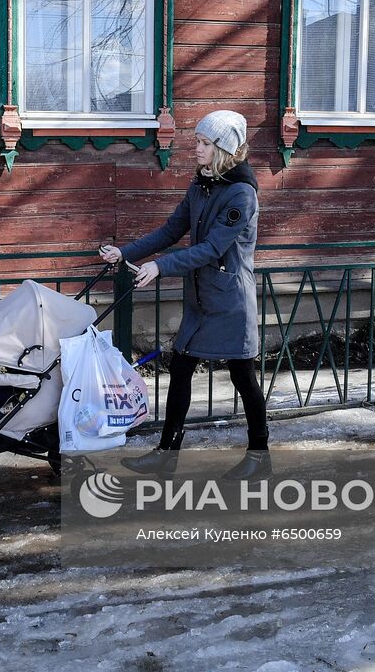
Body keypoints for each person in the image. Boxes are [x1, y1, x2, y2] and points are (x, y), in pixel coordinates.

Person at [99, 109, 269, 482]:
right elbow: (171, 229)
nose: (196, 149)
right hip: (201, 298)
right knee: (180, 368)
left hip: (230, 302)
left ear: (223, 148)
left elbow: (212, 249)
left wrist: (160, 267)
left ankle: (260, 456)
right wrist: (126, 252)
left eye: (205, 143)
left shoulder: (242, 194)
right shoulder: (201, 185)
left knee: (243, 377)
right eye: (197, 142)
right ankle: (167, 453)